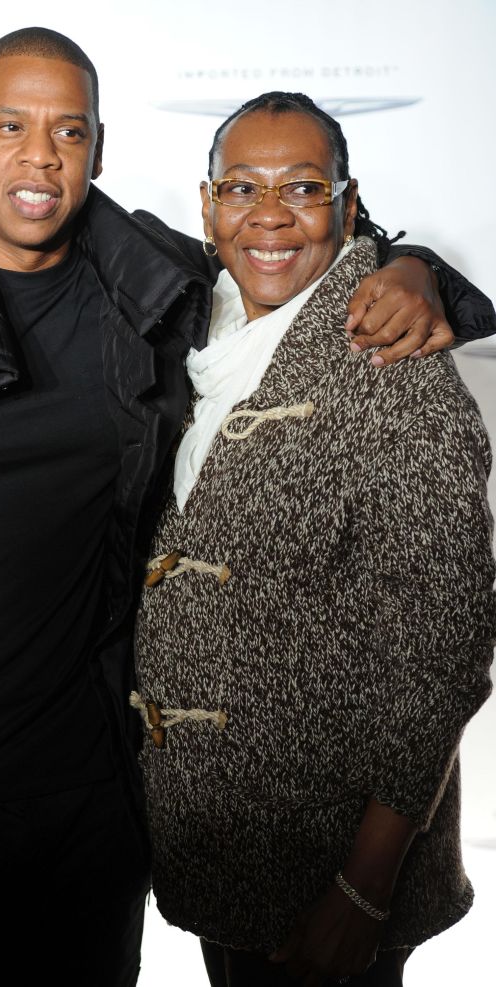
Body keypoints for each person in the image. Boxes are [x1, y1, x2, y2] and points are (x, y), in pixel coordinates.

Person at [0, 29, 493, 986]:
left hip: (92, 818)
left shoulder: (152, 282)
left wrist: (413, 265)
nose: (40, 156)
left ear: (100, 147)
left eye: (70, 131)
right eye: (11, 125)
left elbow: (289, 242)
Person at [133, 91, 496, 987]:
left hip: (333, 866)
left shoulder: (395, 367)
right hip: (225, 846)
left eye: (302, 188)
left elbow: (444, 656)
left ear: (347, 199)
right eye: (241, 187)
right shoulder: (194, 318)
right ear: (207, 201)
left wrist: (364, 889)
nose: (268, 215)